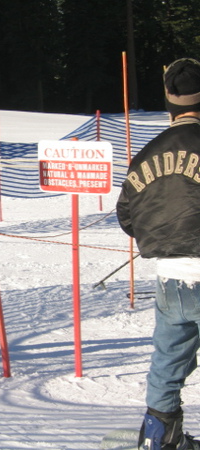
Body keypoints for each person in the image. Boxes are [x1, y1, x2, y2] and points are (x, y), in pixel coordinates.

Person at [117, 58, 200, 450]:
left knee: (168, 360)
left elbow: (126, 214)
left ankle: (159, 436)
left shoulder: (146, 153)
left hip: (170, 277)